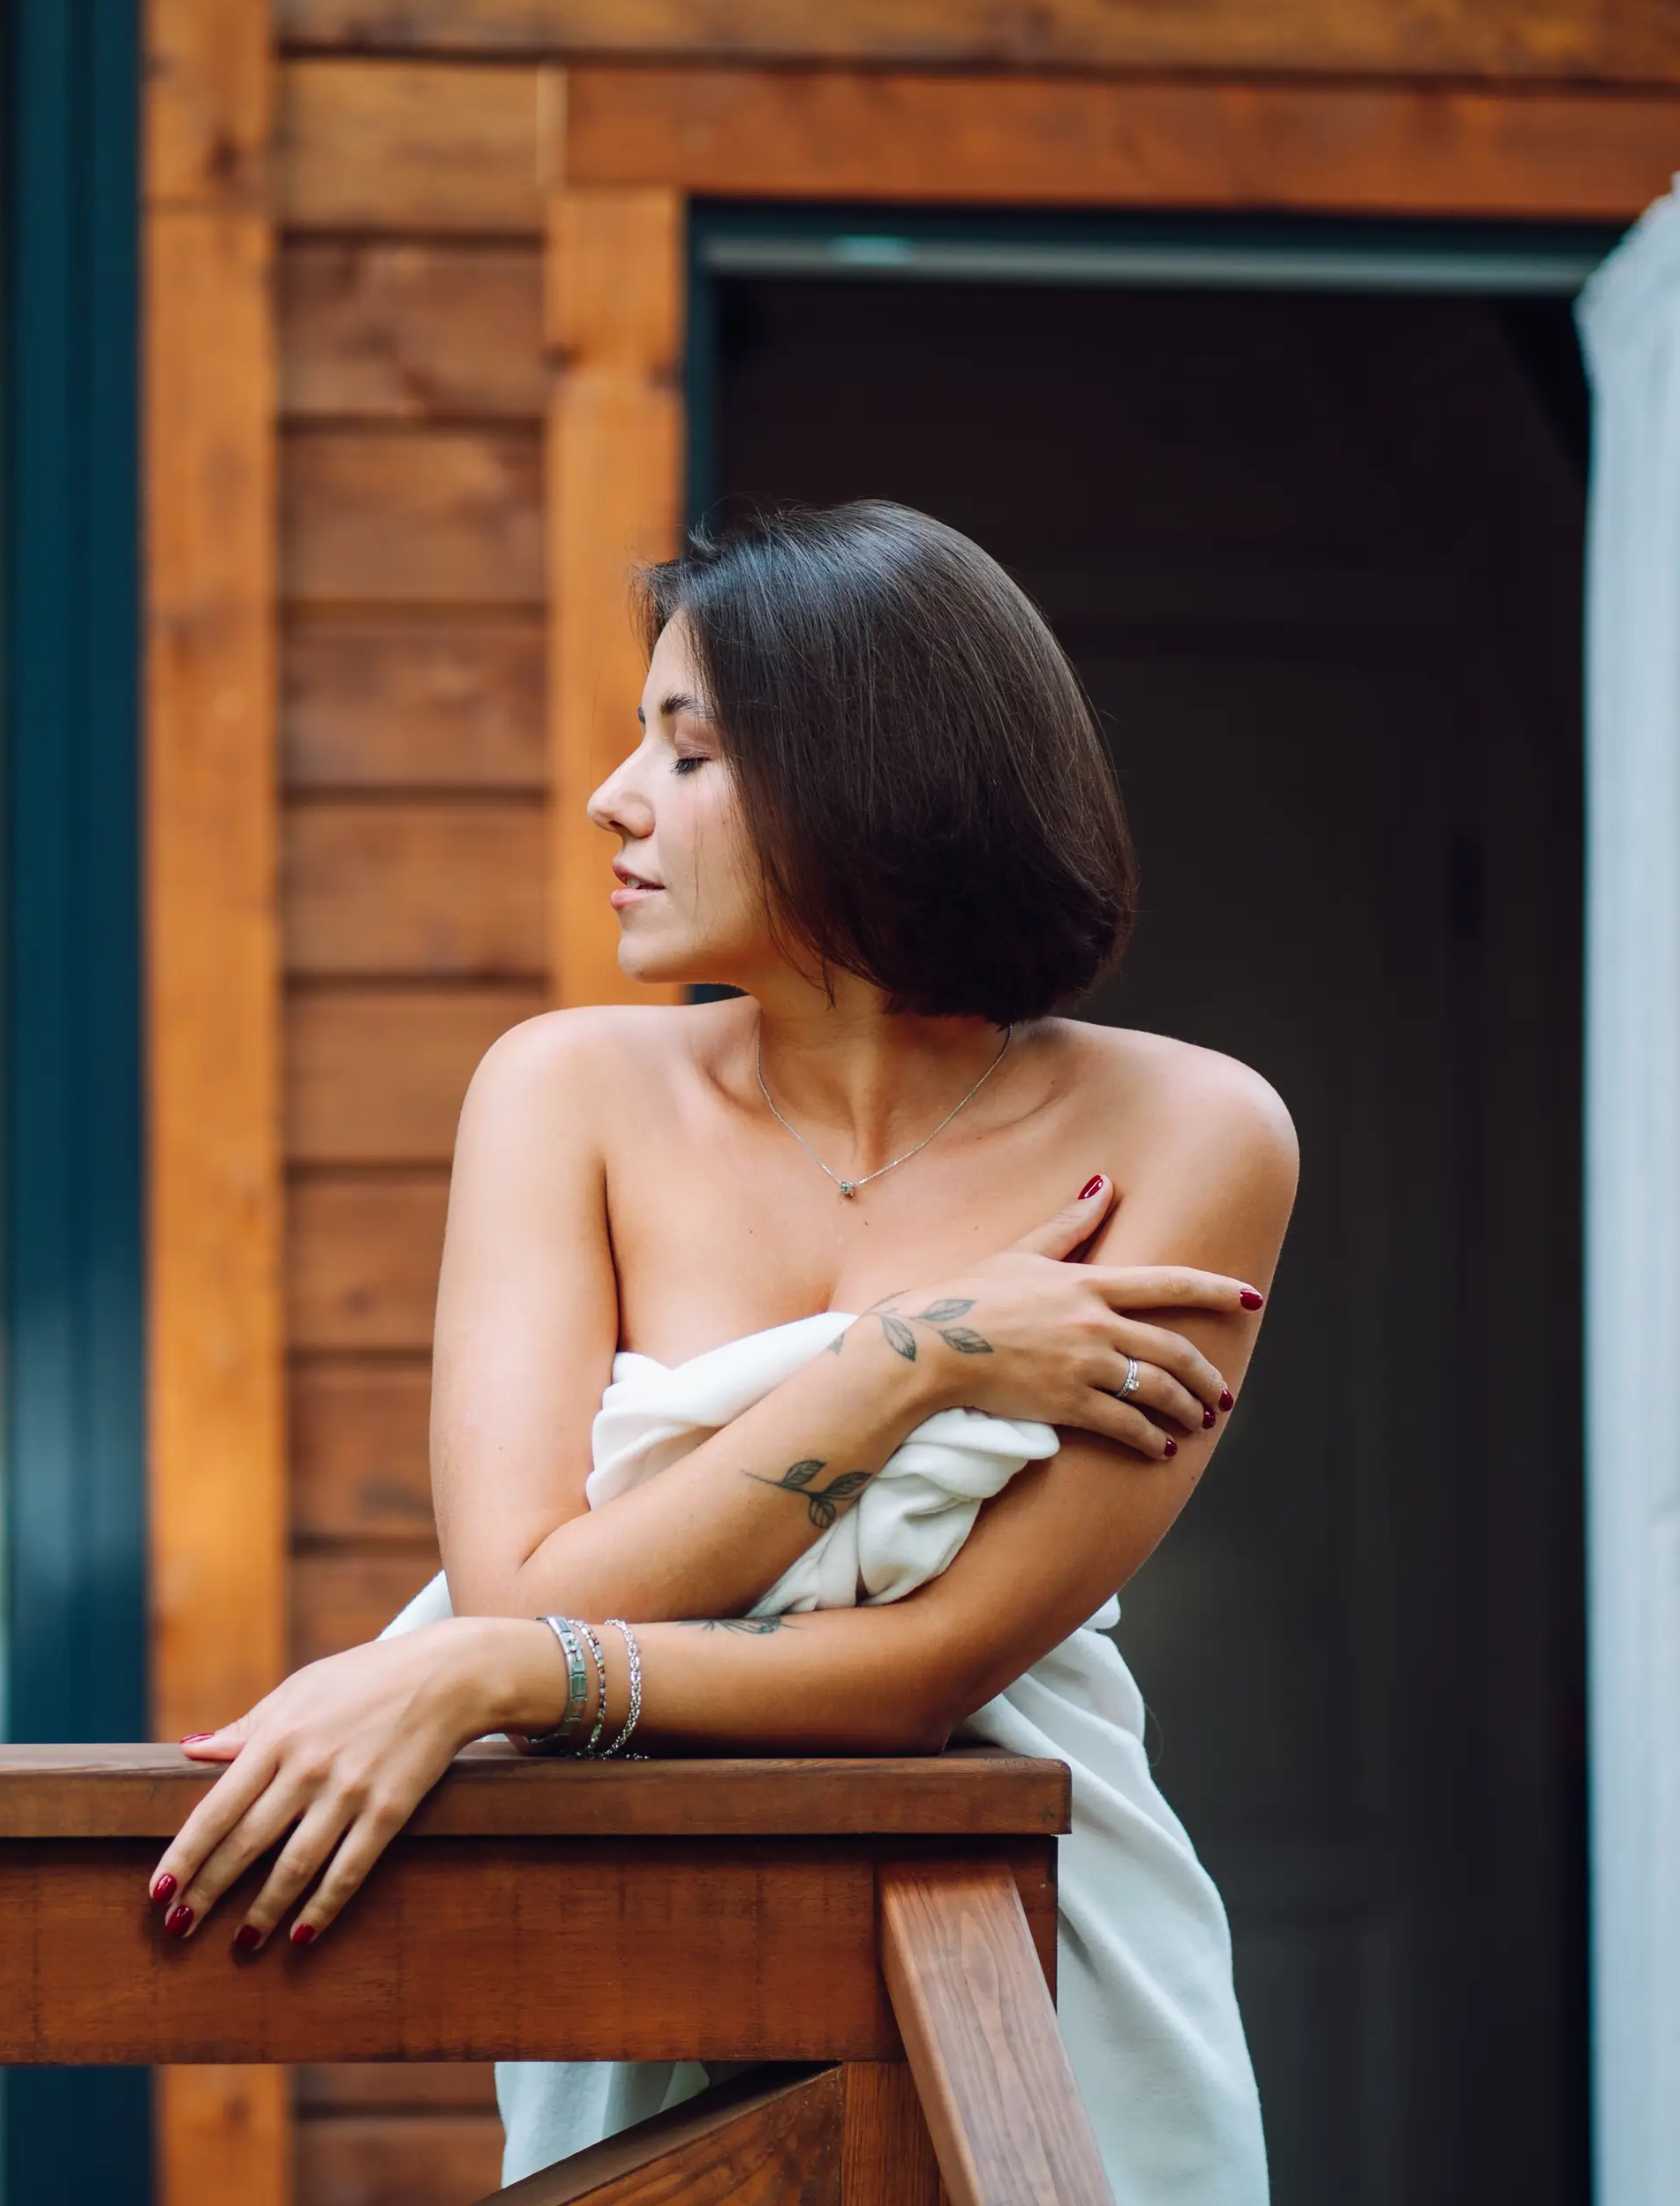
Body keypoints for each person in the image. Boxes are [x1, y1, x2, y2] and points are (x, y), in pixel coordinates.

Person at [143, 501, 1290, 2202]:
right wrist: (917, 1359)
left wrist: (497, 1674)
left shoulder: (1197, 1129)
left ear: (872, 784)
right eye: (637, 742)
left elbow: (926, 1676)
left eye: (688, 754)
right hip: (645, 1934)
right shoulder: (564, 1092)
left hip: (1038, 1967)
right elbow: (520, 1572)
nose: (615, 800)